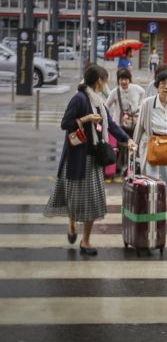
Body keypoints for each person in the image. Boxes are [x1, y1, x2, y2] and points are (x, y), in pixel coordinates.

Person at [44, 64, 137, 256]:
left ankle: (85, 241)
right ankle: (71, 222)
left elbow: (110, 124)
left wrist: (127, 140)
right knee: (75, 199)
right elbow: (65, 123)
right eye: (105, 80)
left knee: (94, 201)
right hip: (77, 158)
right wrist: (85, 119)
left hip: (94, 159)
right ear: (99, 81)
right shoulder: (79, 99)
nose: (106, 84)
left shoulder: (99, 101)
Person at [106, 68, 145, 174]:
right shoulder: (115, 92)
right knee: (120, 147)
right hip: (119, 125)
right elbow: (107, 105)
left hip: (134, 124)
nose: (123, 82)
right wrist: (108, 119)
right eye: (121, 79)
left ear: (130, 80)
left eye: (126, 79)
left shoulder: (137, 89)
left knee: (132, 146)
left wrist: (139, 107)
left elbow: (143, 94)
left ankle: (131, 169)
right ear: (118, 80)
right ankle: (119, 168)